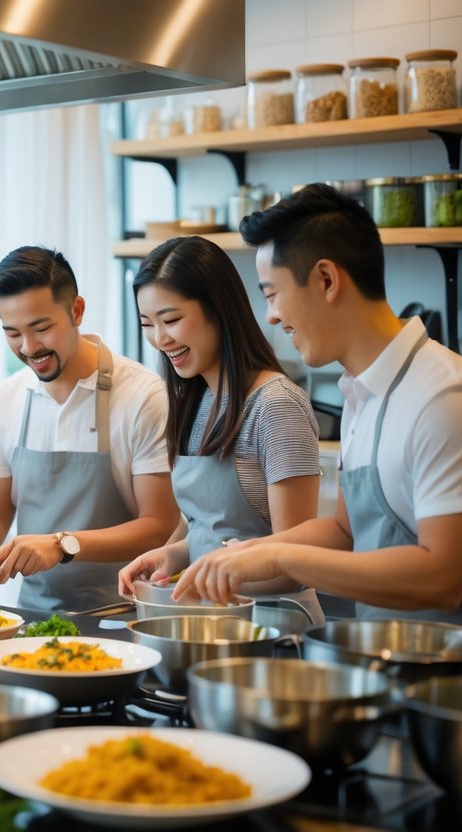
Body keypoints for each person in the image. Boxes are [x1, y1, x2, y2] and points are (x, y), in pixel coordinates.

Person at [173, 184, 462, 621]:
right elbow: (343, 530)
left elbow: (443, 577)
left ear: (327, 280)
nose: (270, 315)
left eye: (272, 293)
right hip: (387, 660)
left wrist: (283, 560)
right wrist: (247, 552)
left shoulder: (440, 396)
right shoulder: (362, 393)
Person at [0, 246, 180, 612]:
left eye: (41, 329)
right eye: (12, 333)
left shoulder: (142, 393)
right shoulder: (5, 398)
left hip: (125, 613)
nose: (28, 348)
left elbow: (158, 524)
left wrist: (61, 545)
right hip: (33, 616)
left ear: (76, 311)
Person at [117, 237, 321, 600]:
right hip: (208, 620)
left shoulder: (275, 405)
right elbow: (210, 532)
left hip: (268, 630)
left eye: (171, 320)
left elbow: (297, 562)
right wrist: (173, 554)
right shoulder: (195, 398)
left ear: (218, 309)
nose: (160, 339)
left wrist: (201, 581)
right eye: (147, 324)